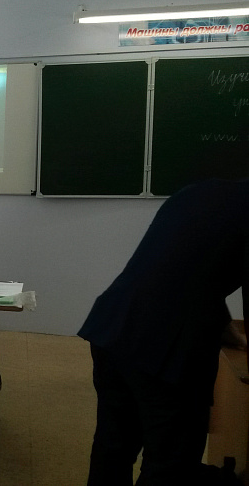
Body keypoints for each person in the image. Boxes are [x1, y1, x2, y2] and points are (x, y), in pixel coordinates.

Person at [78, 178, 249, 485]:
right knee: (170, 463)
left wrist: (226, 327)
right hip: (168, 350)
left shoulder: (199, 191)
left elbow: (182, 270)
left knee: (113, 447)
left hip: (113, 326)